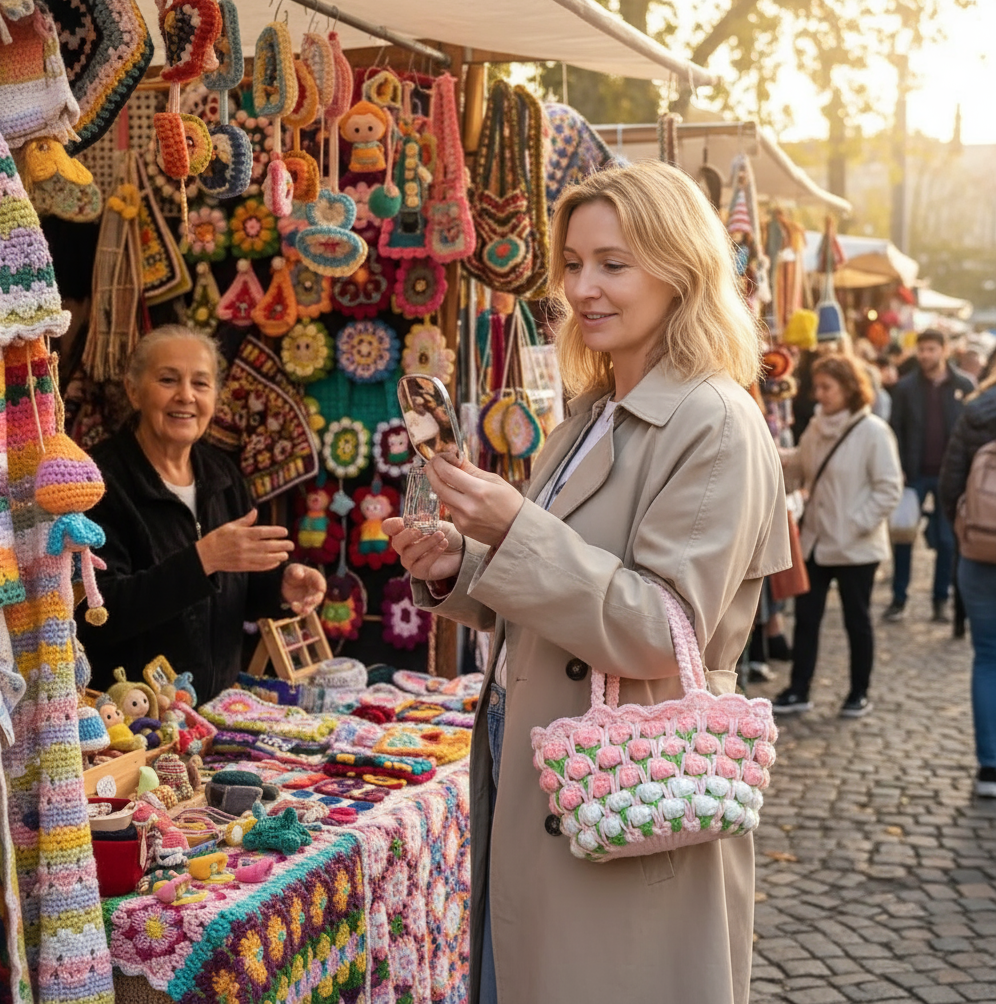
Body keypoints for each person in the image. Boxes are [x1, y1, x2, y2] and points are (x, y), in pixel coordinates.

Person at [383, 161, 790, 1004]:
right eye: (572, 264)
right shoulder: (589, 412)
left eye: (615, 263)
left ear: (680, 269)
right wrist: (462, 565)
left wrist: (515, 527)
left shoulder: (713, 420)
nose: (585, 289)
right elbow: (561, 596)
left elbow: (657, 625)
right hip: (544, 777)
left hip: (629, 798)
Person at [78, 326, 326, 704]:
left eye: (201, 383)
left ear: (216, 397)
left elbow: (238, 587)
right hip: (135, 721)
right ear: (133, 390)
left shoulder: (222, 475)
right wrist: (202, 560)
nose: (186, 396)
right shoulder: (99, 482)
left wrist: (280, 586)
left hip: (216, 712)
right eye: (167, 380)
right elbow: (100, 613)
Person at [772, 355, 902, 717]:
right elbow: (801, 465)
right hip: (817, 540)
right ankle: (799, 689)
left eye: (827, 387)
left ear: (848, 388)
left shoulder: (874, 432)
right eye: (818, 387)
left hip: (856, 547)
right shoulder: (816, 426)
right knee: (807, 618)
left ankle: (858, 691)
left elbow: (888, 489)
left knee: (856, 620)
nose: (820, 394)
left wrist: (856, 523)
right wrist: (772, 455)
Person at [885, 329, 974, 622]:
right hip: (914, 475)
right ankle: (899, 598)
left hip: (950, 477)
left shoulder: (963, 385)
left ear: (944, 350)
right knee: (904, 537)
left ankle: (940, 599)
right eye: (921, 349)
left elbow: (970, 432)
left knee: (948, 542)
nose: (926, 355)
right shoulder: (905, 387)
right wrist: (898, 469)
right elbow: (893, 430)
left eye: (931, 349)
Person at [939, 371, 996, 797]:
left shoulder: (976, 410)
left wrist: (963, 532)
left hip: (980, 549)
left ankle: (989, 769)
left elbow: (949, 483)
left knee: (987, 657)